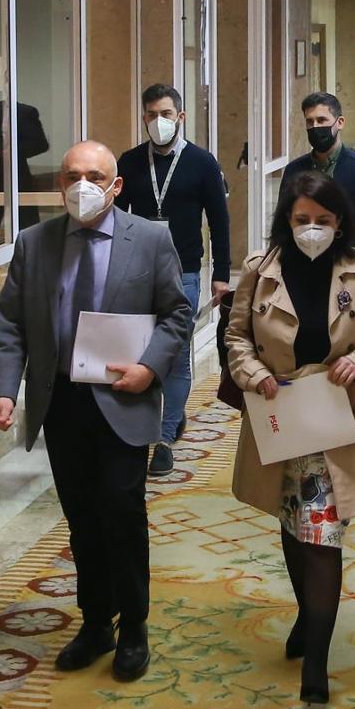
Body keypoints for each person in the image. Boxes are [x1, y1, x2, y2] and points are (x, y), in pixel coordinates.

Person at [0, 141, 192, 682]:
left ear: (116, 185)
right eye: (73, 175)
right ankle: (96, 622)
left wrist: (150, 369)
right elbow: (10, 323)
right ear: (60, 183)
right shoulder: (34, 243)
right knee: (82, 517)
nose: (83, 185)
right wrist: (6, 389)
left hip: (124, 395)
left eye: (95, 176)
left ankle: (135, 627)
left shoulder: (149, 240)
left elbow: (177, 315)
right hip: (62, 402)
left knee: (121, 512)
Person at [225, 171, 355, 707]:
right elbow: (236, 337)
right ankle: (306, 617)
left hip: (336, 423)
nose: (312, 230)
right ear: (286, 220)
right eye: (302, 220)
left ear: (339, 222)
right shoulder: (261, 270)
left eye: (323, 221)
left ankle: (316, 662)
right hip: (279, 420)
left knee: (322, 536)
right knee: (292, 522)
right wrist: (253, 374)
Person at [116, 83, 232, 478]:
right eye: (151, 114)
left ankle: (164, 439)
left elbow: (219, 221)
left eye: (166, 114)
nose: (158, 122)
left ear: (180, 117)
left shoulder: (201, 163)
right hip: (137, 273)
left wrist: (220, 275)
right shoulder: (130, 163)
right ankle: (154, 421)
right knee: (142, 353)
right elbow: (115, 221)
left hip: (182, 271)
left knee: (177, 355)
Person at [279, 92, 355, 284]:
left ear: (339, 122)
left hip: (351, 271)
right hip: (303, 271)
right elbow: (283, 225)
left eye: (322, 120)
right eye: (310, 122)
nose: (315, 127)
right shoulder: (294, 171)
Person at [0, 99, 51, 232]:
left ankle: (32, 250)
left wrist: (10, 152)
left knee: (26, 222)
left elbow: (40, 143)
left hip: (17, 174)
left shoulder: (26, 112)